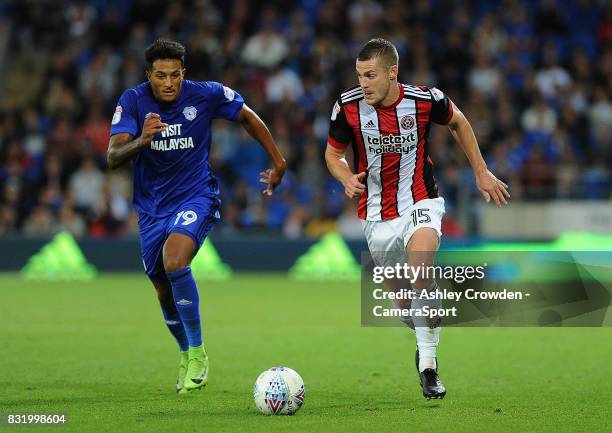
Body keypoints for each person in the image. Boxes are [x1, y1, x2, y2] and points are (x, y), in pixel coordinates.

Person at [325, 38, 509, 400]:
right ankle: (425, 332)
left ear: (393, 72)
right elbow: (333, 154)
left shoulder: (425, 99)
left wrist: (481, 171)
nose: (363, 83)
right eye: (359, 75)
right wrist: (345, 176)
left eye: (371, 75)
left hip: (421, 201)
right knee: (406, 307)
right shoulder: (346, 108)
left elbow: (459, 121)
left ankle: (428, 365)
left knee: (421, 270)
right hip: (376, 215)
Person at [107, 39, 286, 394]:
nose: (169, 83)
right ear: (149, 75)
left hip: (196, 196)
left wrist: (278, 161)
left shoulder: (206, 94)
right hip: (151, 209)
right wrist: (142, 139)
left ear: (183, 73)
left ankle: (200, 353)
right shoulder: (132, 100)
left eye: (175, 75)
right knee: (162, 290)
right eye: (160, 76)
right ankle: (185, 352)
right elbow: (113, 156)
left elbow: (247, 116)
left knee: (175, 261)